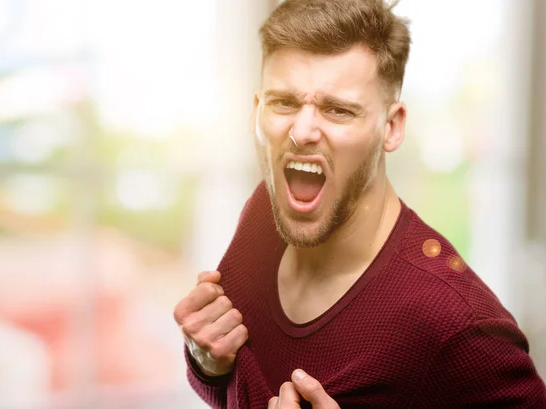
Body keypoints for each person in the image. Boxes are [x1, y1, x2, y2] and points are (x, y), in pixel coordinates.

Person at [173, 0, 546, 407]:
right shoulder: (265, 212)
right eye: (284, 102)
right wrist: (209, 362)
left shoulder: (456, 322)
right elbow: (239, 390)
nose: (301, 131)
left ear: (391, 126)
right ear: (256, 110)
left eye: (337, 110)